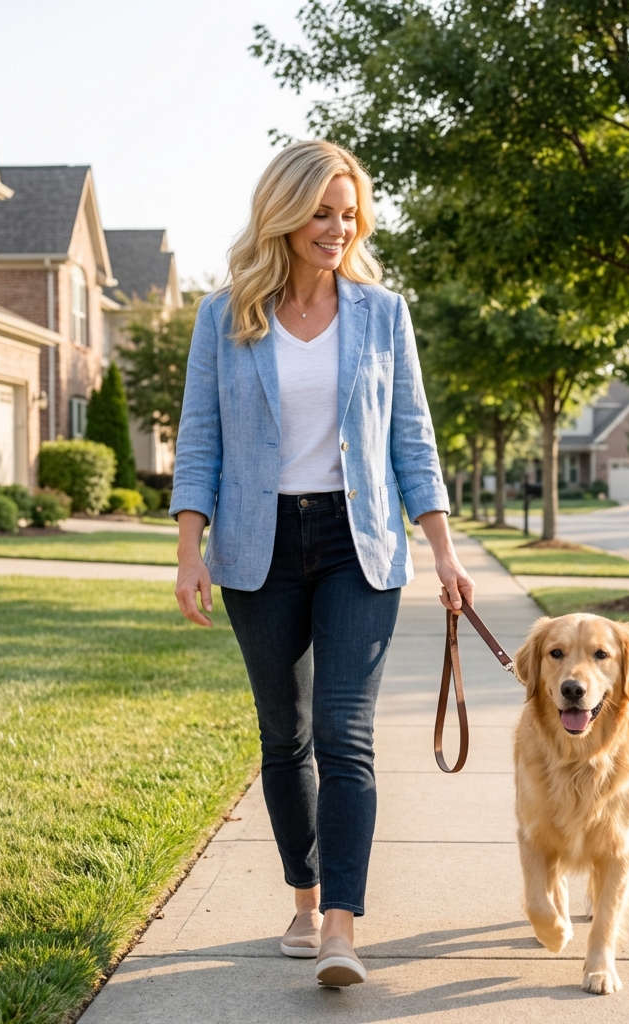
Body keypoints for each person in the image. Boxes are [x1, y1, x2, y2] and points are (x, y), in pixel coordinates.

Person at [170, 140, 474, 988]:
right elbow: (200, 440)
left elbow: (412, 438)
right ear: (283, 212)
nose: (337, 228)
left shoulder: (383, 313)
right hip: (258, 545)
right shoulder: (225, 315)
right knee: (286, 735)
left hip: (358, 541)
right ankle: (303, 899)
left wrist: (443, 549)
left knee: (345, 732)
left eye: (348, 214)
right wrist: (190, 551)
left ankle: (342, 925)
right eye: (321, 212)